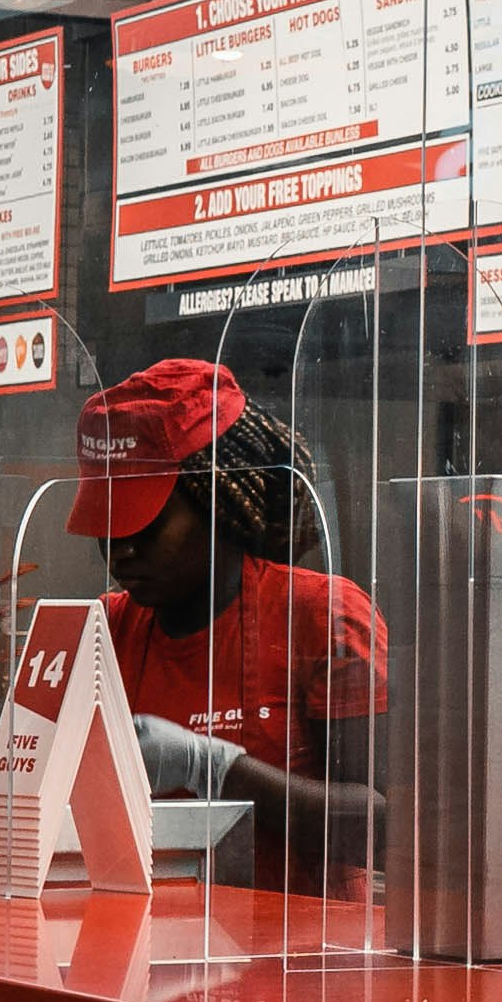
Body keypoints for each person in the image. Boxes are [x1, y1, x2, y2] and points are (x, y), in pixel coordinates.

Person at [67, 358, 386, 881]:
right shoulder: (102, 632)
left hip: (294, 952)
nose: (120, 550)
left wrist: (214, 767)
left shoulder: (322, 619)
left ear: (216, 501)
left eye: (143, 523)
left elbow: (391, 829)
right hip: (145, 946)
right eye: (107, 524)